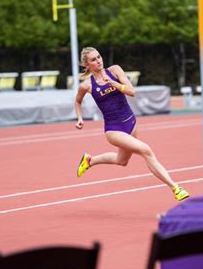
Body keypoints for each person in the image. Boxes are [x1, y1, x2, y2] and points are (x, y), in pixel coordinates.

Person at [74, 47, 190, 202]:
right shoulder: (87, 85)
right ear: (87, 65)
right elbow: (78, 100)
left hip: (131, 122)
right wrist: (79, 118)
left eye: (99, 57)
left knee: (121, 161)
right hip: (113, 130)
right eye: (93, 59)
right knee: (146, 150)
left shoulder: (114, 71)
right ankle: (175, 187)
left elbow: (131, 91)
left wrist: (113, 83)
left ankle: (90, 160)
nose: (98, 61)